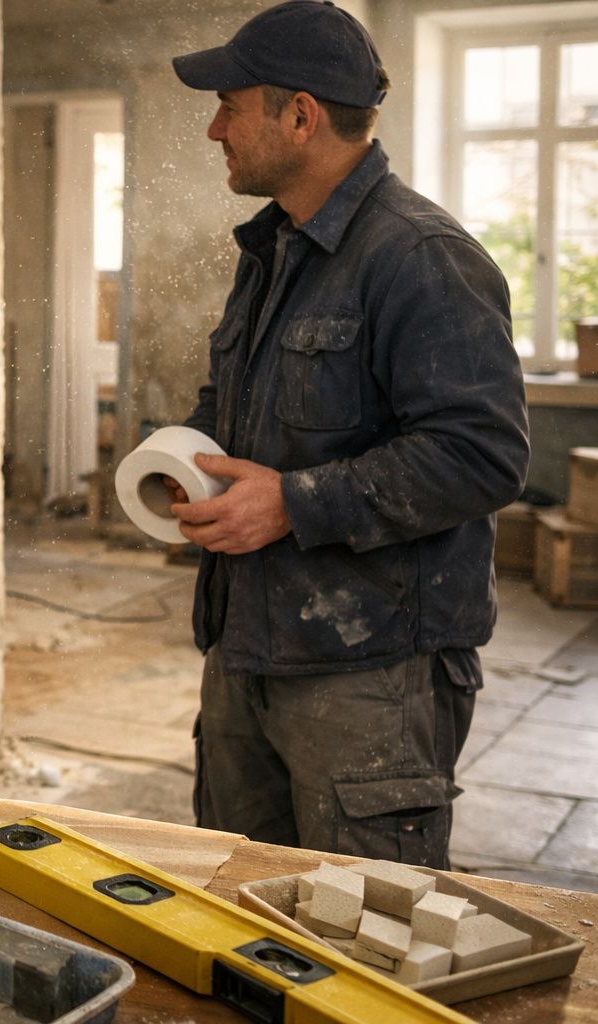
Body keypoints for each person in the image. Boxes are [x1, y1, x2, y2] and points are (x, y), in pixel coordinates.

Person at [166, 0, 529, 867]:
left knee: (364, 935)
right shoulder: (277, 249)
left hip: (370, 675)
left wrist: (293, 504)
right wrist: (183, 455)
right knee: (246, 925)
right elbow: (235, 406)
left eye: (230, 105)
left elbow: (483, 454)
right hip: (248, 648)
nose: (215, 127)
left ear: (300, 115)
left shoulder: (420, 256)